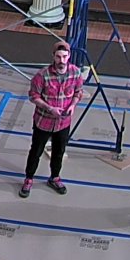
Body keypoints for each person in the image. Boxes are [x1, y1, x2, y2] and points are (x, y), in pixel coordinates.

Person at [20, 40, 86, 198]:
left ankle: (55, 177)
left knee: (59, 152)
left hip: (63, 123)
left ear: (69, 56)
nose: (61, 60)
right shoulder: (42, 75)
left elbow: (79, 92)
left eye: (64, 56)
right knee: (36, 151)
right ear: (53, 56)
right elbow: (33, 96)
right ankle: (29, 179)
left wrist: (73, 105)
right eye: (58, 57)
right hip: (43, 122)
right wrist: (50, 108)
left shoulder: (76, 73)